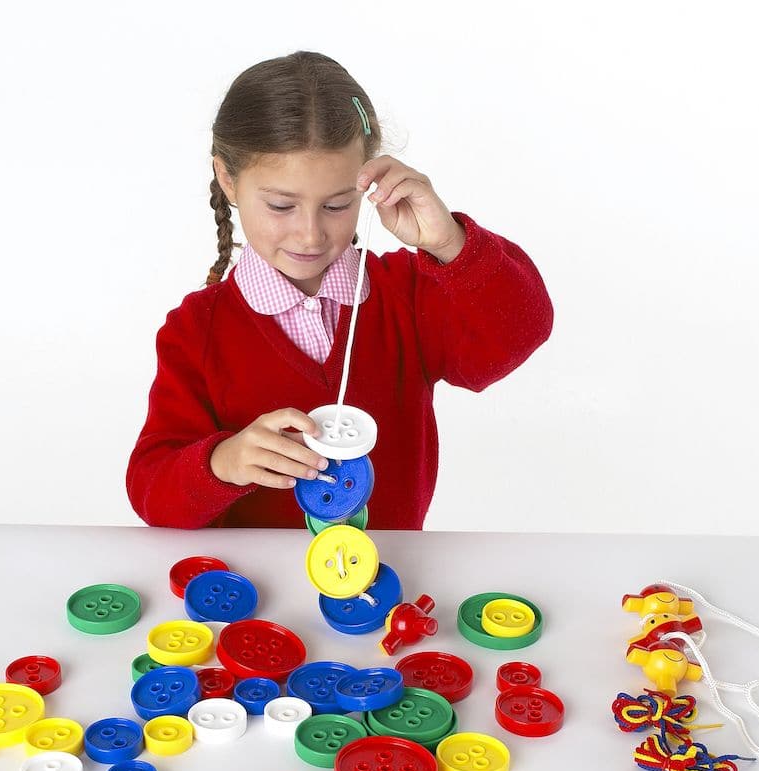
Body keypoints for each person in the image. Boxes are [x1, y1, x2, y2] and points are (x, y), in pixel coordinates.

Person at [126, 50, 554, 530]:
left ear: (367, 183)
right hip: (254, 594)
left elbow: (523, 329)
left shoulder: (410, 294)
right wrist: (221, 463)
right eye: (281, 205)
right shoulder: (195, 331)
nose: (309, 235)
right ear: (228, 178)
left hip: (387, 586)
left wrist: (449, 242)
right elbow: (151, 490)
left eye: (336, 204)